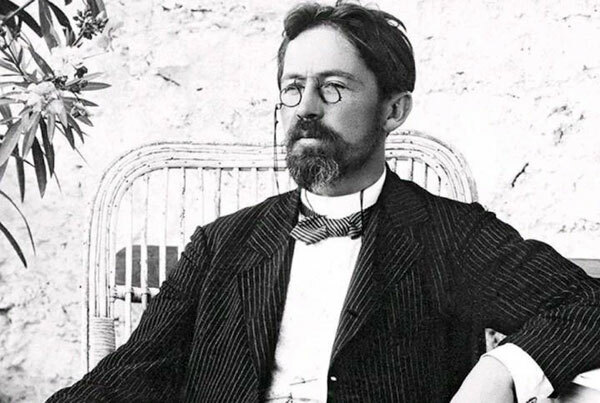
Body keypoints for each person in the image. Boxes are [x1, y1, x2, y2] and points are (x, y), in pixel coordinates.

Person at [48, 2, 600, 402]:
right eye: (293, 88)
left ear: (393, 111)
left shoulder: (451, 235)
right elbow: (132, 371)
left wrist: (501, 371)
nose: (306, 107)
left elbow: (587, 305)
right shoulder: (222, 243)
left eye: (333, 87)